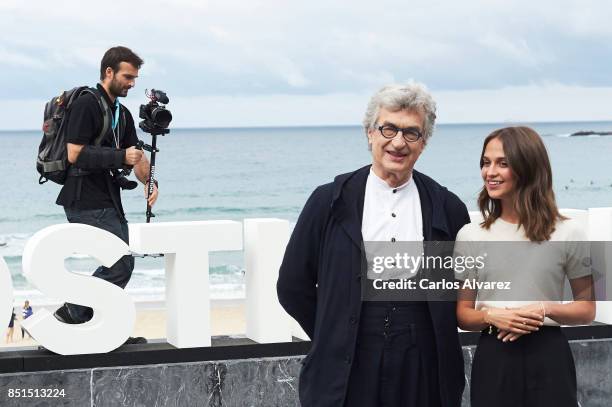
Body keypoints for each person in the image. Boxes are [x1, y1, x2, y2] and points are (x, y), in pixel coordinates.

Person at [277, 83, 471, 407]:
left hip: (421, 366)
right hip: (349, 366)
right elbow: (292, 286)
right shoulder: (327, 202)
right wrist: (333, 336)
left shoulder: (447, 208)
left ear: (424, 143)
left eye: (411, 133)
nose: (398, 142)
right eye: (389, 128)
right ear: (369, 133)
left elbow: (465, 289)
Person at [455, 126, 595, 407]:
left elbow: (587, 309)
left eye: (502, 163)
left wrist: (544, 309)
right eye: (486, 162)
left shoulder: (570, 232)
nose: (489, 172)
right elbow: (462, 315)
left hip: (550, 356)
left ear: (528, 167)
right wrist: (493, 317)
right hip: (494, 357)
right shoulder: (471, 235)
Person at [53, 46, 159, 345]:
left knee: (122, 264)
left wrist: (149, 182)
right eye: (128, 76)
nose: (132, 83)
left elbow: (135, 157)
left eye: (135, 78)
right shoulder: (86, 104)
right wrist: (119, 157)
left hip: (107, 198)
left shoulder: (120, 113)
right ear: (108, 72)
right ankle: (72, 313)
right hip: (83, 197)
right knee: (120, 264)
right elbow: (74, 154)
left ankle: (98, 327)